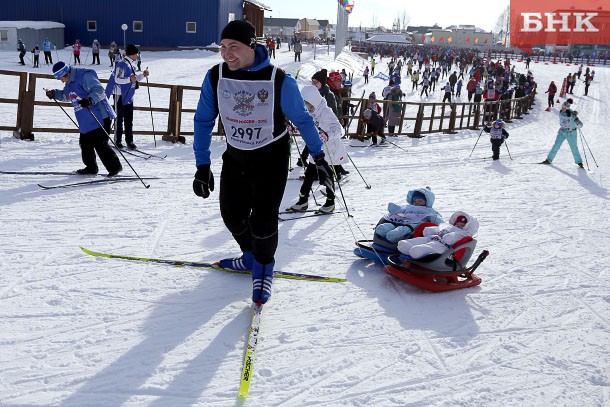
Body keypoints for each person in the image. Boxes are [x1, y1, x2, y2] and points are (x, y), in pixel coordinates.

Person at [192, 20, 333, 305]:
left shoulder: (279, 80)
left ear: (252, 46)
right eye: (223, 47)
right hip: (236, 154)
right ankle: (249, 257)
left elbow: (303, 120)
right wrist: (202, 165)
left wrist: (318, 157)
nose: (227, 53)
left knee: (263, 219)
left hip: (271, 156)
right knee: (231, 215)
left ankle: (264, 267)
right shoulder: (215, 76)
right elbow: (203, 120)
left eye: (234, 47)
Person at [45, 61, 122, 176]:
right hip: (85, 119)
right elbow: (67, 95)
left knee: (100, 143)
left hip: (100, 115)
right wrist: (55, 94)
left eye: (61, 78)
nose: (61, 81)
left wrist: (90, 100)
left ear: (67, 73)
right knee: (85, 144)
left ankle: (115, 168)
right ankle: (91, 168)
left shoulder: (85, 75)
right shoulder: (70, 82)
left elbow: (99, 91)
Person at [287, 85, 347, 213]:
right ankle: (303, 201)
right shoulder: (310, 113)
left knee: (326, 176)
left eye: (308, 104)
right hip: (316, 149)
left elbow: (340, 130)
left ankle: (330, 202)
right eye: (304, 104)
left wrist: (327, 134)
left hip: (330, 149)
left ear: (314, 101)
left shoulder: (326, 112)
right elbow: (305, 125)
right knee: (309, 175)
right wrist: (294, 128)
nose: (307, 107)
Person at [105, 44, 150, 150]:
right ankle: (118, 141)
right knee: (119, 119)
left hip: (129, 94)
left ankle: (129, 141)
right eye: (137, 53)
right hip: (119, 95)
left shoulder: (131, 64)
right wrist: (129, 80)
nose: (138, 55)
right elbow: (117, 79)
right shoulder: (121, 64)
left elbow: (134, 78)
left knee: (129, 119)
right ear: (133, 54)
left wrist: (143, 75)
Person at [397, 211, 478, 259]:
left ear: (467, 228)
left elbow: (449, 239)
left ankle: (415, 252)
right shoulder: (449, 227)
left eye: (462, 225)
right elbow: (435, 230)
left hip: (442, 247)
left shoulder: (462, 234)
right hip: (433, 238)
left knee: (422, 248)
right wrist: (431, 230)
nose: (459, 226)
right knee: (408, 243)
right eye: (458, 224)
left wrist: (449, 236)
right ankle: (408, 249)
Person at [375, 187, 443, 243]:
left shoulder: (429, 210)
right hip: (398, 223)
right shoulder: (409, 207)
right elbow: (400, 210)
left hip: (412, 227)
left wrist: (444, 227)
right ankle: (384, 238)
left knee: (396, 233)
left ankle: (398, 239)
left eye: (420, 201)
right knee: (381, 228)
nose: (417, 203)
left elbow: (437, 219)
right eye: (415, 201)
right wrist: (394, 208)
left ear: (427, 201)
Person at [541, 100, 584, 168]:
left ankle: (579, 162)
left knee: (574, 148)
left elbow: (580, 125)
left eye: (564, 107)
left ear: (567, 108)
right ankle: (548, 160)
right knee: (556, 146)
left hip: (571, 134)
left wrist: (576, 120)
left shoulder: (572, 115)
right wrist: (574, 114)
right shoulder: (561, 113)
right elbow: (568, 115)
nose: (562, 109)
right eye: (562, 107)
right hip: (562, 132)